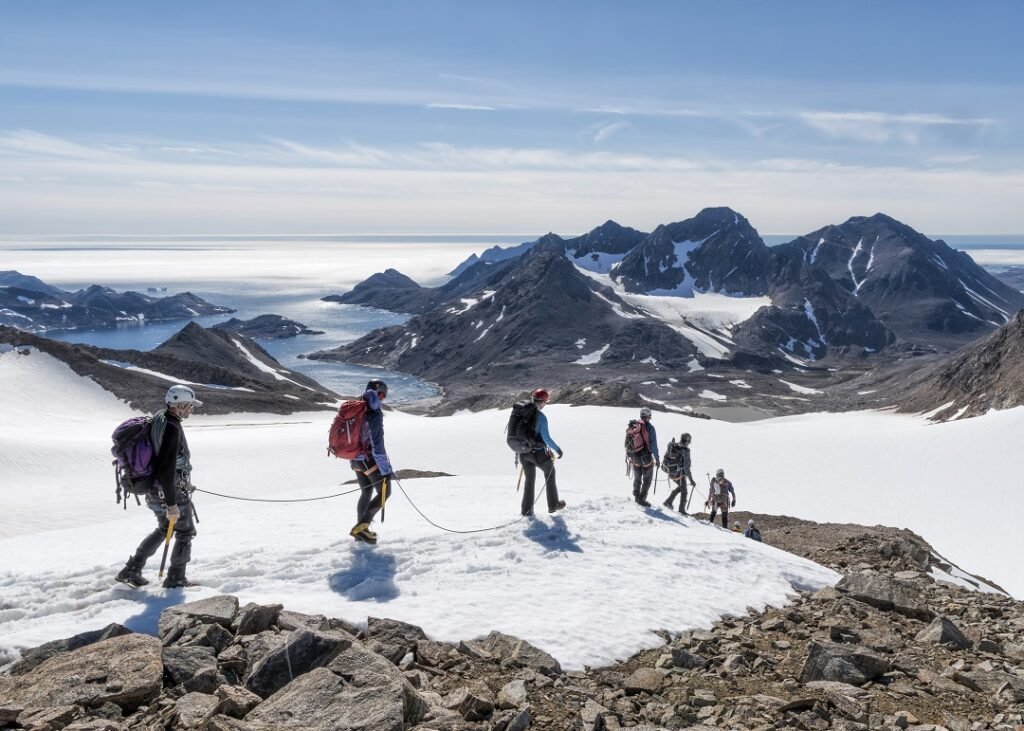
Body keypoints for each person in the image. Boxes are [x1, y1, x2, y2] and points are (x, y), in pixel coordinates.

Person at [115, 385, 201, 589]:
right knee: (185, 532)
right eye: (190, 406)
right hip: (167, 490)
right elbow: (166, 467)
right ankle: (176, 579)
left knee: (164, 529)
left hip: (153, 489)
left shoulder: (159, 419)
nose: (192, 410)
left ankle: (131, 570)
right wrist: (172, 504)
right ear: (180, 405)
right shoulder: (171, 427)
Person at [349, 379, 394, 544]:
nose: (382, 399)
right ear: (378, 393)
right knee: (385, 493)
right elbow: (377, 445)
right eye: (382, 395)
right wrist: (386, 469)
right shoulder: (374, 412)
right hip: (369, 460)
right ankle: (361, 527)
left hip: (355, 460)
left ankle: (362, 532)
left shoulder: (356, 406)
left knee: (366, 493)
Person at [519, 388, 566, 517]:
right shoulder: (541, 417)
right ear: (542, 402)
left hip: (523, 452)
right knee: (550, 473)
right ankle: (553, 504)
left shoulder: (522, 413)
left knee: (530, 480)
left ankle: (526, 510)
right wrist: (558, 449)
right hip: (537, 453)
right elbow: (546, 439)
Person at [628, 407, 659, 507]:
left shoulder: (634, 426)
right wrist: (657, 459)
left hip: (635, 457)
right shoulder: (650, 428)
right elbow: (653, 445)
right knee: (647, 479)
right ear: (648, 416)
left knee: (637, 477)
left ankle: (636, 495)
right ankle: (642, 499)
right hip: (646, 458)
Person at [662, 432, 696, 514]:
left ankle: (668, 502)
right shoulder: (686, 451)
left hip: (670, 473)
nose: (688, 444)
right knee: (684, 491)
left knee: (681, 487)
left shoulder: (673, 446)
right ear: (687, 441)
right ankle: (681, 509)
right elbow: (687, 468)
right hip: (680, 475)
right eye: (688, 442)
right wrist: (691, 480)